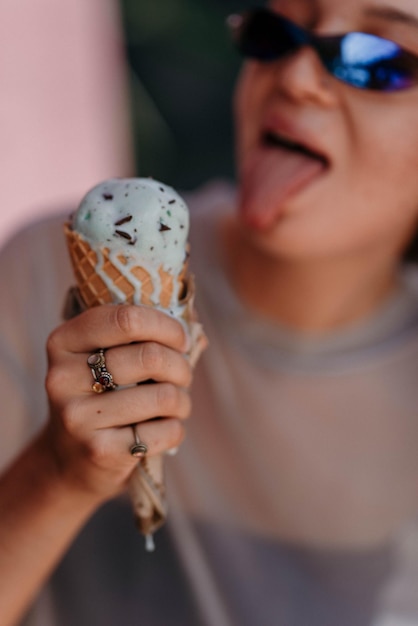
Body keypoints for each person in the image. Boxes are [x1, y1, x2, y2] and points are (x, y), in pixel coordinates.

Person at [2, 0, 418, 624]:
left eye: (378, 60)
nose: (297, 76)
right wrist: (59, 474)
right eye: (276, 30)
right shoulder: (46, 272)